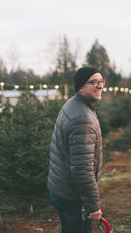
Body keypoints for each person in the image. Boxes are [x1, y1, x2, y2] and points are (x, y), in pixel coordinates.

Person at [48, 66, 104, 233]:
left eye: (101, 81)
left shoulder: (74, 104)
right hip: (73, 197)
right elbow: (82, 169)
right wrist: (93, 206)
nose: (99, 86)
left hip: (61, 191)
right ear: (81, 86)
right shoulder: (82, 117)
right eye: (94, 82)